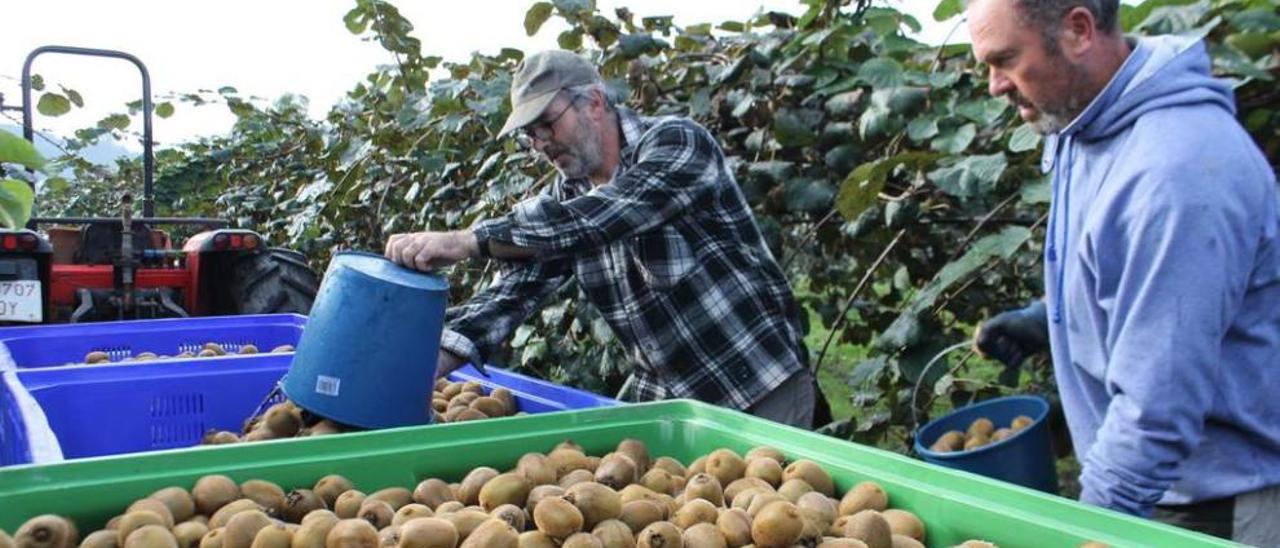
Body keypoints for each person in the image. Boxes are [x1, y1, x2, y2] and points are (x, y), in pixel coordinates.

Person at [967, 0, 1280, 542]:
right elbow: (1145, 285)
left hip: (1206, 503)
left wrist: (1095, 528)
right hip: (1163, 486)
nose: (995, 85)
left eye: (1005, 60)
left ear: (1078, 30)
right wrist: (1048, 320)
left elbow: (1157, 407)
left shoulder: (1175, 171)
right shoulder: (1089, 121)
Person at [384, 50, 828, 429]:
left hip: (759, 387)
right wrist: (425, 365)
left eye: (547, 124)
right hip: (671, 401)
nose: (540, 144)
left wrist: (469, 240)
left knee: (770, 521)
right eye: (530, 134)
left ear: (594, 102)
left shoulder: (677, 143)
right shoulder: (563, 199)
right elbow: (514, 291)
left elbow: (602, 217)